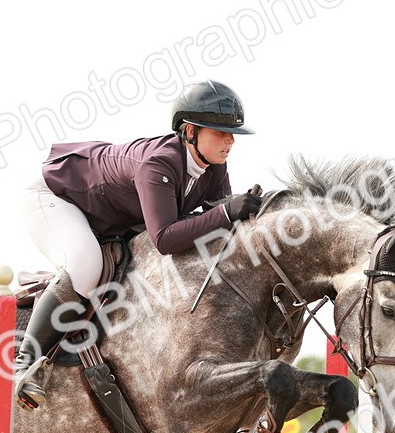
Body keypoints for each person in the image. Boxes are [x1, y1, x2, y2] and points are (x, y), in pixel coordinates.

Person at [15, 79, 263, 409]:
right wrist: (225, 212)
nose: (230, 140)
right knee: (86, 265)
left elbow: (219, 221)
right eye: (219, 132)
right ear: (190, 131)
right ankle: (24, 363)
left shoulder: (213, 167)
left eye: (232, 134)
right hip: (54, 198)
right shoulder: (158, 163)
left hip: (106, 215)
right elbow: (164, 238)